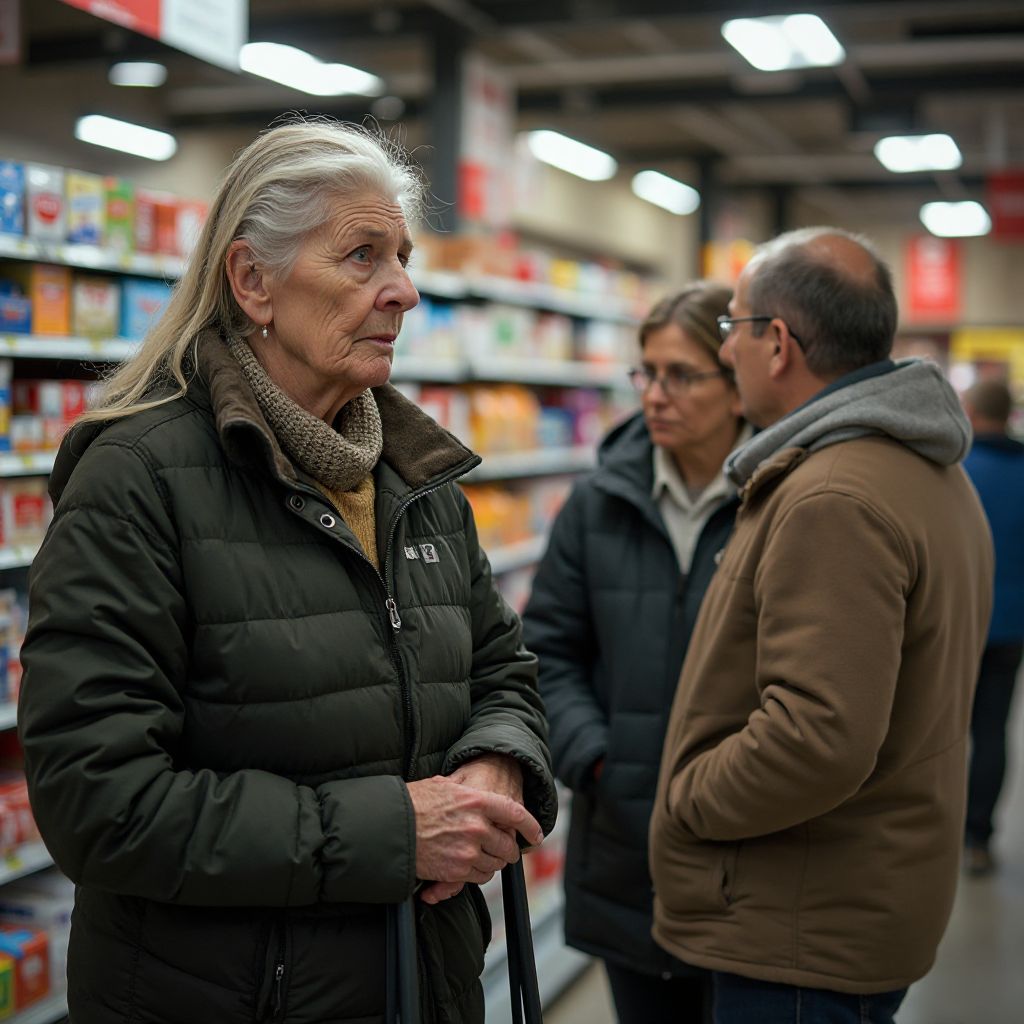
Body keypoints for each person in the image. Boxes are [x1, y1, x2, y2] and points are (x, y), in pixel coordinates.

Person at [18, 120, 556, 1024]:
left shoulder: (417, 481)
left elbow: (504, 671)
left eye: (403, 257)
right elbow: (98, 801)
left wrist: (500, 761)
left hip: (426, 984)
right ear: (252, 281)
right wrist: (394, 832)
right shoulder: (139, 480)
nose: (404, 290)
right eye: (362, 256)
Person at [648, 227, 993, 1024]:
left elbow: (817, 737)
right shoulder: (923, 466)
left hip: (801, 924)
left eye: (733, 326)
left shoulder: (834, 496)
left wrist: (689, 796)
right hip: (854, 897)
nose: (725, 349)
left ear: (777, 343)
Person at [522, 282, 748, 1023]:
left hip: (747, 860)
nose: (654, 394)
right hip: (624, 851)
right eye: (646, 373)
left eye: (680, 375)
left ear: (737, 383)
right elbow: (546, 650)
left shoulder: (782, 504)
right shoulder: (597, 504)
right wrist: (595, 758)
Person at [960, 378, 1024, 877]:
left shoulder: (956, 470)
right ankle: (978, 838)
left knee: (941, 732)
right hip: (1010, 627)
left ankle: (938, 831)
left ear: (971, 411)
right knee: (992, 731)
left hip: (958, 626)